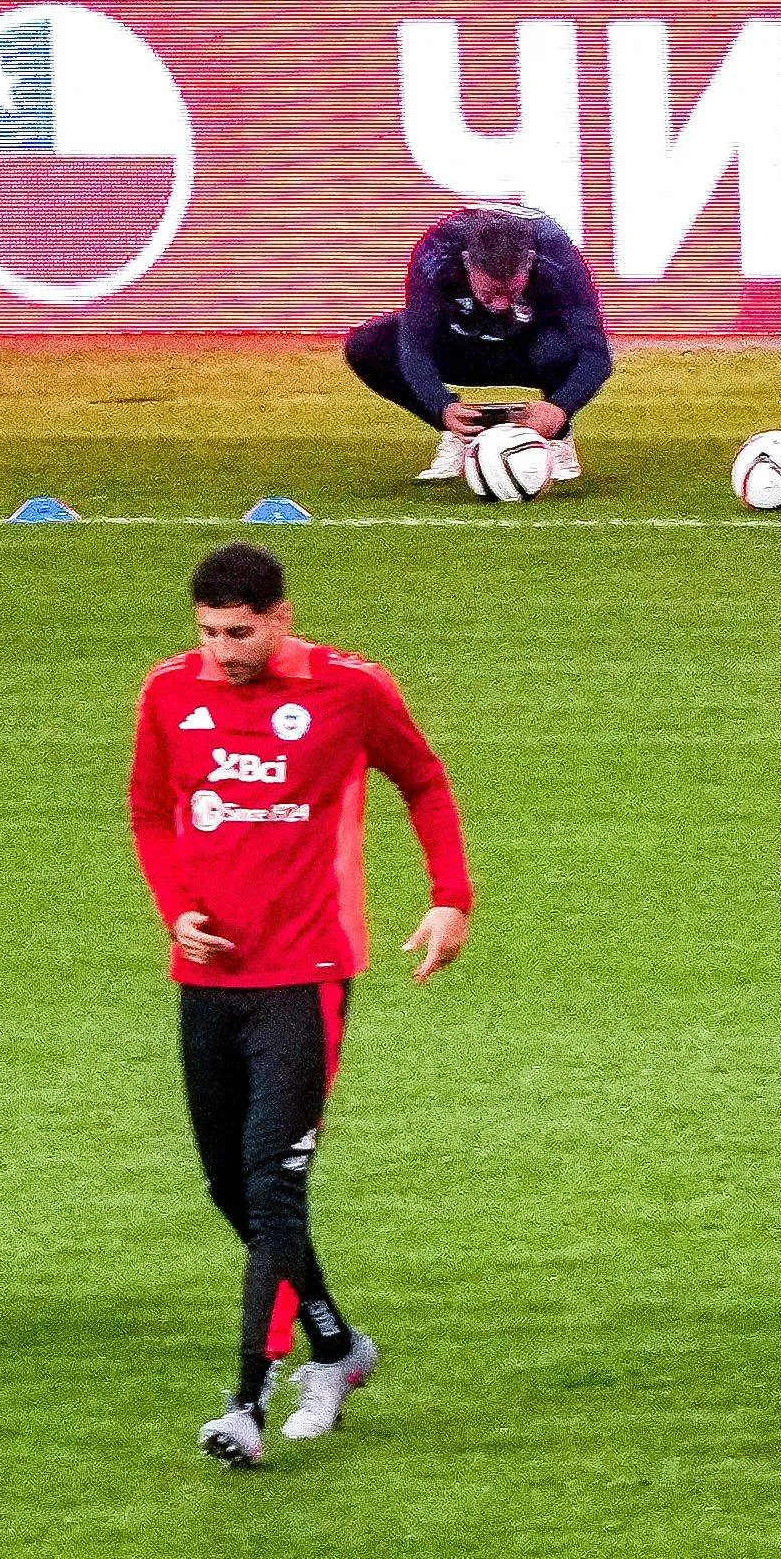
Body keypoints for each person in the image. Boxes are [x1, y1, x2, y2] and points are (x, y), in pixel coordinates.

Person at [126, 543, 471, 1466]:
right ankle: (336, 1347)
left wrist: (450, 896)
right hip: (206, 979)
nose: (221, 651)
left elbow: (424, 780)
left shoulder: (349, 690)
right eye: (205, 633)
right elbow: (151, 813)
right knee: (229, 1188)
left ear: (280, 618)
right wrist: (177, 911)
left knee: (273, 1187)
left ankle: (245, 1399)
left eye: (237, 633)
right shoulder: (168, 694)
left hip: (306, 974)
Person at [344, 206, 607, 486]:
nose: (501, 305)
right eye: (491, 292)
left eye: (511, 291)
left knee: (558, 347)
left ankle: (556, 441)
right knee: (367, 345)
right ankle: (461, 433)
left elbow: (596, 353)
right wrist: (440, 405)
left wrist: (560, 407)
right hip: (461, 346)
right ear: (467, 263)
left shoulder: (558, 257)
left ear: (529, 262)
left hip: (531, 350)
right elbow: (415, 344)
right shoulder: (437, 253)